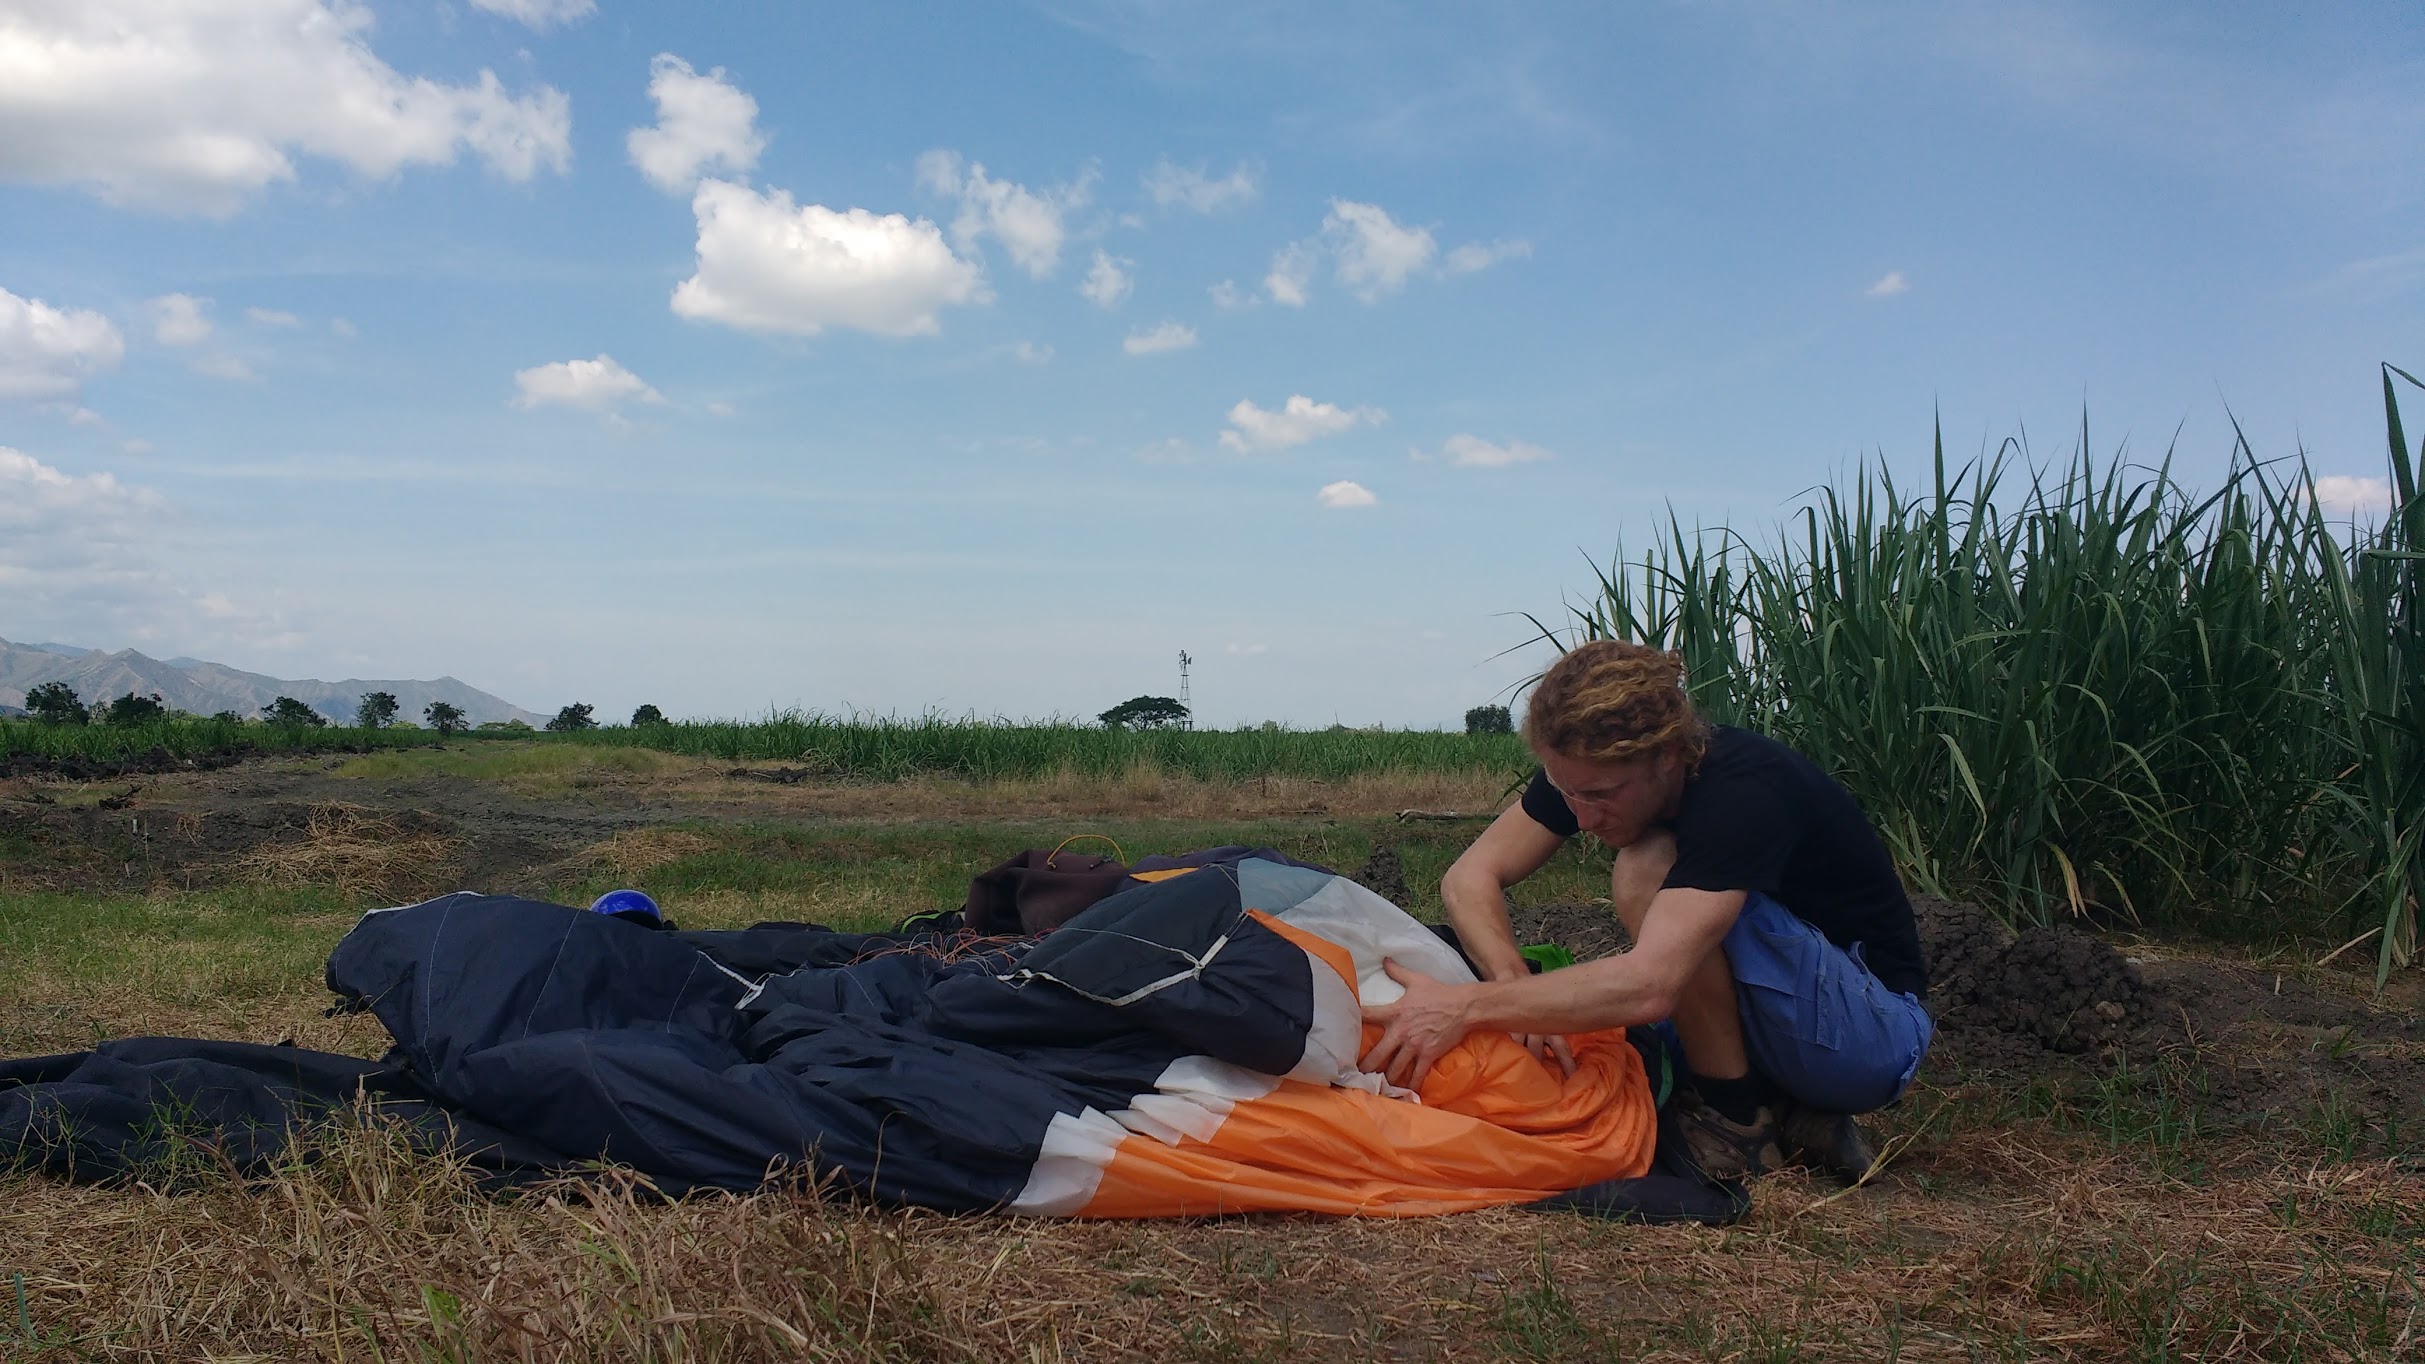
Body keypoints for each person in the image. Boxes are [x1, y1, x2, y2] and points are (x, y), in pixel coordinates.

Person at [1360, 639, 1932, 1180]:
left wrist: (1467, 1008)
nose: (1582, 819)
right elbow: (1468, 878)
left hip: (1869, 1036)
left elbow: (1651, 985)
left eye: (1602, 795)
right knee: (1605, 1043)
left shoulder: (1743, 792)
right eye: (1567, 792)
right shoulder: (1587, 770)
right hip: (1778, 1019)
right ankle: (1787, 1105)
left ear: (1667, 756)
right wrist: (1509, 982)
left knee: (1645, 866)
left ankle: (1735, 1120)